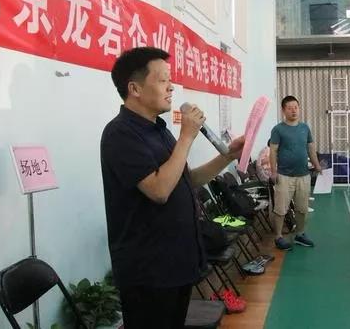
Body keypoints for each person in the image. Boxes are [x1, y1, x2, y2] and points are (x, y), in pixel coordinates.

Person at [100, 47, 244, 329]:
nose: (171, 87)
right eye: (162, 79)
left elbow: (186, 180)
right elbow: (159, 190)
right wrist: (187, 136)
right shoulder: (120, 134)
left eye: (170, 79)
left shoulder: (159, 130)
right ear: (134, 89)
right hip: (148, 272)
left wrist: (227, 156)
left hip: (176, 263)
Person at [270, 95, 322, 250]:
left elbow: (311, 148)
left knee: (302, 208)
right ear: (283, 110)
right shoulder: (278, 129)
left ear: (299, 109)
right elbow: (273, 151)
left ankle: (300, 234)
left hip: (303, 175)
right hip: (284, 176)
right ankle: (278, 237)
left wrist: (317, 165)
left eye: (296, 107)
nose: (293, 111)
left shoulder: (305, 128)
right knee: (280, 209)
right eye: (290, 108)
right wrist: (274, 172)